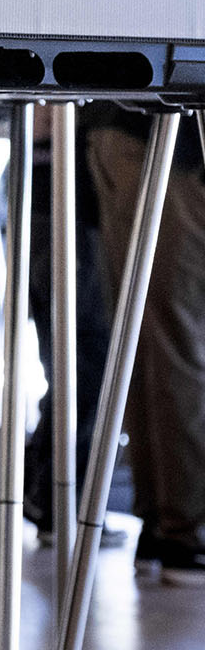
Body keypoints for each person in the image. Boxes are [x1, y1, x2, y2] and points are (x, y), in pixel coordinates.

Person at [86, 104, 205, 584]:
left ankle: (163, 521)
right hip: (173, 129)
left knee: (146, 333)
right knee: (177, 333)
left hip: (124, 116)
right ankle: (187, 529)